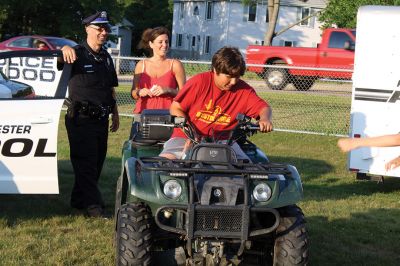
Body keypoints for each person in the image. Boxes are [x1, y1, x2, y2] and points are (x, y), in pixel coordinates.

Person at [159, 46, 273, 160]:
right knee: (165, 162)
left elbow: (263, 108)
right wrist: (189, 131)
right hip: (185, 137)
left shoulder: (244, 91)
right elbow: (176, 107)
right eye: (229, 76)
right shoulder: (199, 82)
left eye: (237, 77)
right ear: (215, 70)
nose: (233, 82)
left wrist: (264, 119)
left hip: (225, 142)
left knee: (245, 167)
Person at [59, 11, 119, 217]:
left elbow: (110, 88)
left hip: (101, 119)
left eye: (106, 29)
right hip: (80, 118)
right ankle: (94, 206)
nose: (104, 32)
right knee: (86, 163)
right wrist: (63, 48)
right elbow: (59, 60)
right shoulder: (75, 53)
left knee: (96, 163)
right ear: (87, 29)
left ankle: (78, 199)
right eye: (99, 28)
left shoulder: (106, 57)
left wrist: (116, 113)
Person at [131, 26, 185, 113]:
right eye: (160, 42)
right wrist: (139, 92)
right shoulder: (141, 65)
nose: (164, 45)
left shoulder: (175, 65)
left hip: (168, 116)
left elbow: (185, 95)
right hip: (143, 115)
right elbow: (133, 94)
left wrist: (168, 90)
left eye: (166, 42)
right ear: (151, 44)